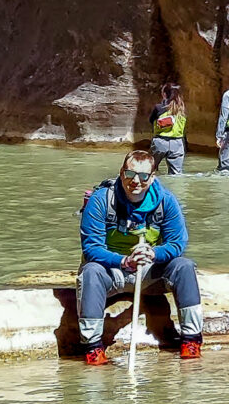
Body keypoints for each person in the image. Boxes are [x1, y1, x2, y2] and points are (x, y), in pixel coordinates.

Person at [76, 145, 203, 363]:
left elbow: (177, 243)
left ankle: (191, 341)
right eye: (131, 174)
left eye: (144, 176)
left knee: (184, 266)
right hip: (112, 273)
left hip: (149, 273)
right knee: (90, 271)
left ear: (152, 177)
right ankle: (93, 347)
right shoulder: (101, 201)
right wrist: (124, 260)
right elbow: (91, 248)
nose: (136, 181)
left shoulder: (166, 201)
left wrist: (154, 253)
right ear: (121, 173)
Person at [150, 82, 189, 175]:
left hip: (160, 141)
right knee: (176, 175)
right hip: (178, 143)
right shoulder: (182, 109)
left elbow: (151, 120)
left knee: (149, 170)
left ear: (164, 94)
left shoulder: (159, 108)